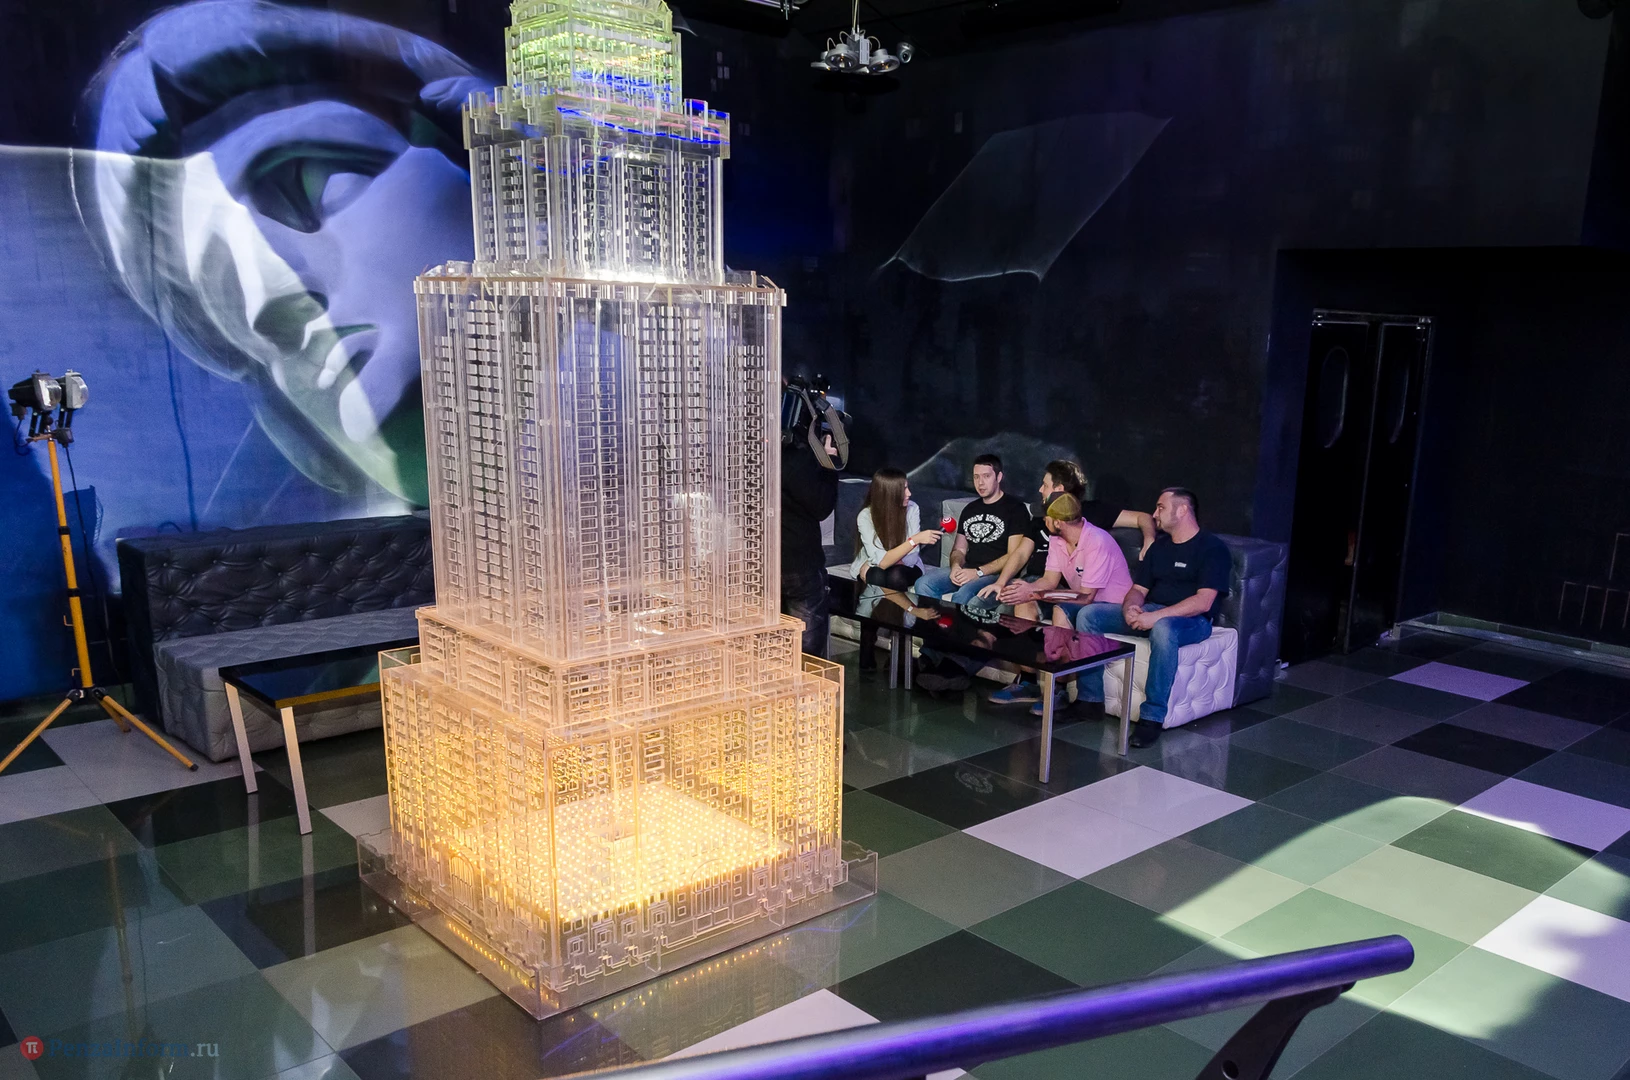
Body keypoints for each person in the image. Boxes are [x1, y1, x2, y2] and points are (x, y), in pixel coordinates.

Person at [1074, 487, 1232, 747]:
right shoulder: (1160, 547)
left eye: (1161, 507)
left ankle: (1152, 718)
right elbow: (1138, 589)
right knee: (1089, 615)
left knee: (1164, 629)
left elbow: (1203, 602)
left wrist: (1155, 617)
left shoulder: (1212, 548)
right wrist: (1131, 608)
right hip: (1153, 610)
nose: (1155, 514)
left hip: (1193, 621)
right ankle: (1089, 701)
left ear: (1182, 510)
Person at [982, 494, 1133, 707]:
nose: (1043, 520)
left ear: (1058, 522)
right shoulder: (1056, 539)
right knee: (1024, 601)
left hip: (1110, 606)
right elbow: (1049, 580)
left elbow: (1086, 597)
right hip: (1084, 600)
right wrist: (1026, 589)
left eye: (1047, 517)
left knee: (1061, 610)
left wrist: (1034, 594)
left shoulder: (1097, 541)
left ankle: (1058, 690)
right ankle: (1028, 682)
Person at [851, 468, 943, 669]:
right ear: (889, 493)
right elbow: (881, 560)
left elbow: (910, 558)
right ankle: (888, 650)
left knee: (890, 575)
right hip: (878, 568)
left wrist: (889, 557)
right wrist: (914, 540)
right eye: (903, 489)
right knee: (880, 574)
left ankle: (887, 647)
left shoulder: (912, 508)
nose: (909, 493)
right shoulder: (866, 516)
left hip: (907, 569)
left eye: (908, 487)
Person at [913, 454, 1030, 606]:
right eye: (976, 477)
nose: (980, 483)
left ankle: (956, 622)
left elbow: (1013, 554)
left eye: (986, 476)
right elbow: (959, 550)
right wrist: (956, 566)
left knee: (964, 594)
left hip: (996, 574)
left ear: (999, 477)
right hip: (968, 568)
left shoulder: (1015, 509)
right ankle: (934, 621)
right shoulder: (970, 509)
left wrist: (978, 572)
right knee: (923, 584)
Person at [782, 428, 841, 657]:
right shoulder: (795, 459)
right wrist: (828, 464)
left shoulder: (752, 454)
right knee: (806, 653)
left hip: (758, 562)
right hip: (799, 563)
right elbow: (822, 505)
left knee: (767, 646)